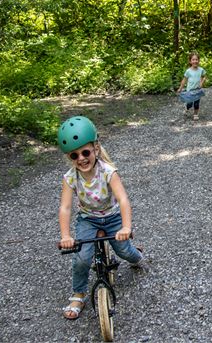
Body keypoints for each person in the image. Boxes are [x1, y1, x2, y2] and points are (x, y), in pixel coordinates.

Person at [57, 116, 145, 320]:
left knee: (124, 251)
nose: (81, 158)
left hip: (113, 216)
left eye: (85, 152)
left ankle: (137, 255)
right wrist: (65, 235)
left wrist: (126, 227)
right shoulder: (70, 178)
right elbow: (65, 207)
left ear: (96, 149)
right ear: (69, 158)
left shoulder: (108, 172)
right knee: (82, 258)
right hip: (88, 219)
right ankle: (78, 294)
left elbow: (123, 199)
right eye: (74, 155)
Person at [177, 51, 207, 121]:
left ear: (198, 60)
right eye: (193, 60)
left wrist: (202, 82)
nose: (195, 61)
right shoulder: (188, 71)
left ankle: (195, 114)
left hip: (197, 90)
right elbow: (184, 80)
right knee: (190, 103)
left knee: (196, 103)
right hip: (190, 90)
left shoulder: (201, 70)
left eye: (196, 59)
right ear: (190, 61)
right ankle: (187, 108)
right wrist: (180, 88)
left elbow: (204, 76)